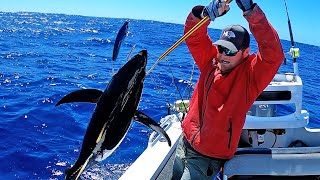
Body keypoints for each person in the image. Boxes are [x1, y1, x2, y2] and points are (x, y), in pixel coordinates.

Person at [171, 0, 284, 179]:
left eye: (230, 51)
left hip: (207, 158)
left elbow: (274, 54)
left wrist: (251, 11)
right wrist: (204, 14)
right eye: (221, 48)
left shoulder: (250, 77)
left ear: (245, 52)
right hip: (184, 143)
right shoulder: (211, 62)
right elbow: (193, 36)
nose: (223, 55)